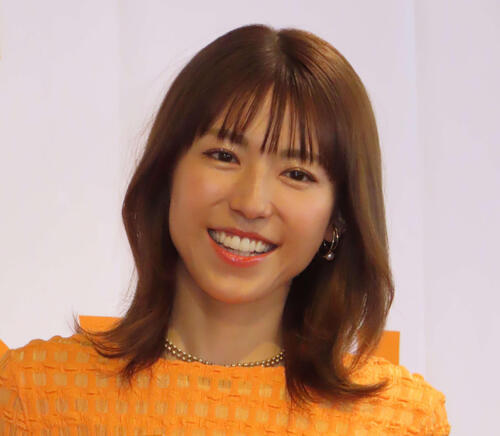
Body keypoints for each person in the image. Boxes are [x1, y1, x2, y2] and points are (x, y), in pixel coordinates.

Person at [0, 24, 450, 434]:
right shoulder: (34, 397)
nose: (251, 203)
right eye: (224, 156)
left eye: (297, 174)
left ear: (338, 218)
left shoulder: (400, 422)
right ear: (167, 173)